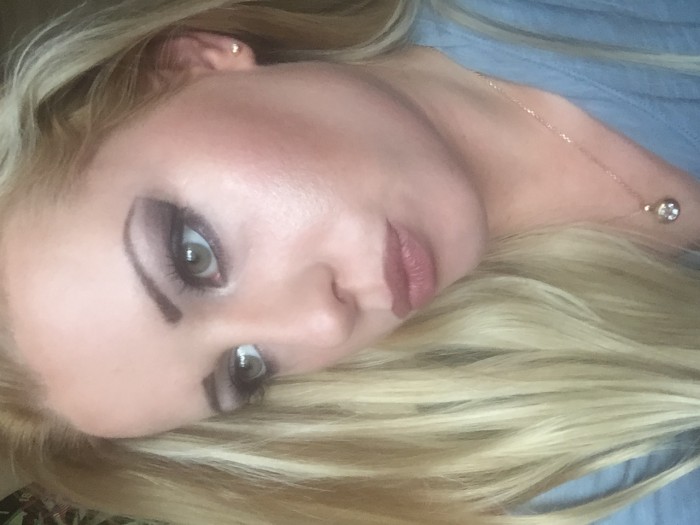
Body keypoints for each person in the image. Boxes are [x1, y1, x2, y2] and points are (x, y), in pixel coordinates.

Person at [0, 0, 699, 523]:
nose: (321, 324)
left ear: (188, 66)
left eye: (194, 253)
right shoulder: (579, 459)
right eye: (246, 367)